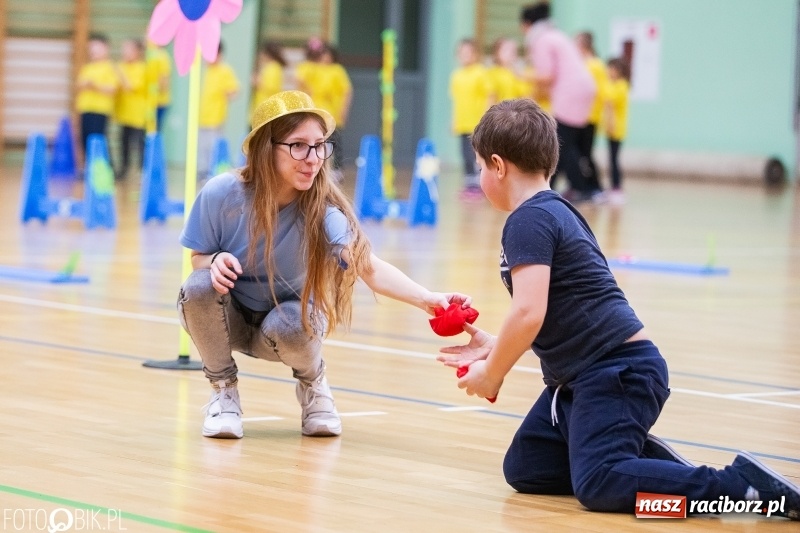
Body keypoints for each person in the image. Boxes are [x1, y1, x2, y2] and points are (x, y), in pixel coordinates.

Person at [437, 98, 800, 520]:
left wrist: (492, 372)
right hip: (581, 380)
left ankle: (737, 488)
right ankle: (638, 459)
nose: (480, 176)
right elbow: (557, 310)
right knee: (528, 466)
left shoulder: (528, 220)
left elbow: (529, 313)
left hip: (617, 373)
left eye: (480, 167)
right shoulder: (554, 211)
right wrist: (497, 343)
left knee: (599, 485)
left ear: (498, 166)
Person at [178, 90, 470, 440]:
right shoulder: (221, 193)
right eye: (298, 146)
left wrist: (427, 299)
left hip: (288, 325)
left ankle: (313, 383)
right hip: (232, 321)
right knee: (198, 286)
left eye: (319, 146)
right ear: (265, 148)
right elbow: (197, 257)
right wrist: (213, 260)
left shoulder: (324, 209)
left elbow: (369, 268)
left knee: (291, 323)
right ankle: (224, 392)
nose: (313, 158)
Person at [520, 2, 595, 202]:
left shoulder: (542, 40)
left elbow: (547, 76)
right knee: (567, 143)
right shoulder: (555, 35)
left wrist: (522, 75)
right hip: (582, 89)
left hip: (570, 92)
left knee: (561, 144)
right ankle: (573, 187)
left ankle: (573, 188)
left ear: (527, 24)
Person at [450, 38, 493, 201]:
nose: (465, 56)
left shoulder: (481, 73)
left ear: (475, 54)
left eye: (468, 53)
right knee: (465, 155)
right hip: (463, 123)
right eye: (462, 53)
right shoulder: (456, 76)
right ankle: (469, 184)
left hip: (476, 124)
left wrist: (486, 118)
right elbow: (456, 101)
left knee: (476, 156)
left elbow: (489, 96)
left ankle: (479, 185)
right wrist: (454, 120)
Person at [74, 33, 119, 168]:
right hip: (86, 108)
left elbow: (112, 89)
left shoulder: (110, 67)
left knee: (99, 139)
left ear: (106, 48)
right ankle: (89, 166)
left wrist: (94, 86)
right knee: (85, 139)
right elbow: (79, 84)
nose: (93, 51)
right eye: (91, 48)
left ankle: (105, 167)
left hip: (100, 110)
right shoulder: (88, 67)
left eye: (97, 48)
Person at [198, 42, 240, 180]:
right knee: (202, 146)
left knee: (213, 147)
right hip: (203, 117)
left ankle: (213, 173)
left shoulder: (224, 70)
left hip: (215, 117)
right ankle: (203, 172)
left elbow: (234, 90)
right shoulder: (207, 70)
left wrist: (228, 93)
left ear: (219, 54)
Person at [311, 43, 352, 180]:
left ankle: (337, 170)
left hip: (332, 112)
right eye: (323, 54)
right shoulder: (315, 69)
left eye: (328, 55)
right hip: (317, 111)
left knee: (334, 141)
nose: (325, 58)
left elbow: (347, 91)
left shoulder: (337, 70)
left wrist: (344, 109)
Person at [575, 31, 608, 199]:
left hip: (589, 116)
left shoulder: (594, 65)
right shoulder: (585, 64)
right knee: (581, 153)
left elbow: (597, 91)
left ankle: (595, 187)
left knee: (585, 154)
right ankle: (586, 186)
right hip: (582, 116)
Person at [114, 39, 147, 180]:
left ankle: (143, 171)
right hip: (123, 113)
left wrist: (119, 72)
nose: (125, 53)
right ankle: (123, 170)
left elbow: (130, 87)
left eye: (129, 49)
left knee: (139, 144)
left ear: (138, 52)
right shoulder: (122, 66)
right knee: (124, 144)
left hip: (138, 114)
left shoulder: (142, 68)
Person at [604, 57, 630, 205]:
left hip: (617, 129)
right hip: (610, 128)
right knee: (611, 158)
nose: (609, 72)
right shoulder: (613, 85)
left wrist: (612, 125)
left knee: (614, 159)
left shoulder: (622, 85)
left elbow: (610, 101)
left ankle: (617, 187)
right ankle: (613, 186)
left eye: (611, 69)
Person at [250, 40, 286, 127]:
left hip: (266, 108)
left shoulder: (273, 67)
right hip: (263, 106)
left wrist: (258, 82)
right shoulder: (271, 67)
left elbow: (271, 88)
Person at [486, 38, 525, 104]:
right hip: (500, 109)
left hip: (516, 109)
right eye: (506, 50)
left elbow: (524, 96)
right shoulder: (492, 73)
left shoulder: (518, 73)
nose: (510, 53)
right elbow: (491, 97)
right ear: (497, 53)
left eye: (512, 51)